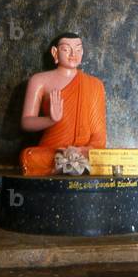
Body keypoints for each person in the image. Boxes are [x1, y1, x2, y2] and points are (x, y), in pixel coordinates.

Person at [19, 33, 107, 176]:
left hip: (83, 153)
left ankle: (71, 164)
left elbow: (99, 135)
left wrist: (83, 151)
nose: (73, 54)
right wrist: (50, 119)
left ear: (82, 52)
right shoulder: (39, 80)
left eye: (78, 49)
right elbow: (26, 122)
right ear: (55, 52)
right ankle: (69, 165)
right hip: (53, 151)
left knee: (105, 157)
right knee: (28, 156)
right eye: (66, 49)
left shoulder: (95, 84)